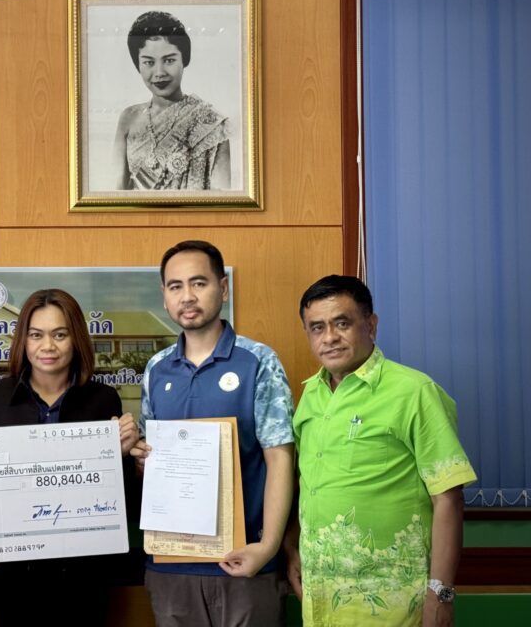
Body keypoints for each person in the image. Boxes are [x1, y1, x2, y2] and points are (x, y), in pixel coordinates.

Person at [288, 275, 476, 626]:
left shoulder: (414, 392)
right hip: (321, 599)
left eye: (342, 323)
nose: (329, 337)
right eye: (317, 327)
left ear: (370, 325)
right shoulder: (310, 395)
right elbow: (307, 486)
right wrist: (291, 546)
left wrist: (441, 593)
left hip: (395, 603)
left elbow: (448, 498)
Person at [131, 240, 295, 627]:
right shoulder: (156, 369)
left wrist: (267, 547)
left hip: (244, 562)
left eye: (199, 283)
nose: (187, 296)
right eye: (176, 286)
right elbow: (151, 462)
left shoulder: (259, 361)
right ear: (164, 295)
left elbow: (280, 459)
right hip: (171, 564)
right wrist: (142, 460)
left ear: (223, 288)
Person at [0, 288, 139, 627]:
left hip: (82, 575)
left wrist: (122, 456)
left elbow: (116, 496)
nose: (48, 346)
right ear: (23, 340)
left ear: (76, 340)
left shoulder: (103, 400)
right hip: (11, 576)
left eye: (60, 335)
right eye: (36, 335)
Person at [113, 10, 231, 191]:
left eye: (169, 60)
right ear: (138, 65)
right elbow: (116, 193)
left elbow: (222, 198)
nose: (159, 72)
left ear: (184, 59)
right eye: (149, 62)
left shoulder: (212, 123)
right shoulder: (129, 118)